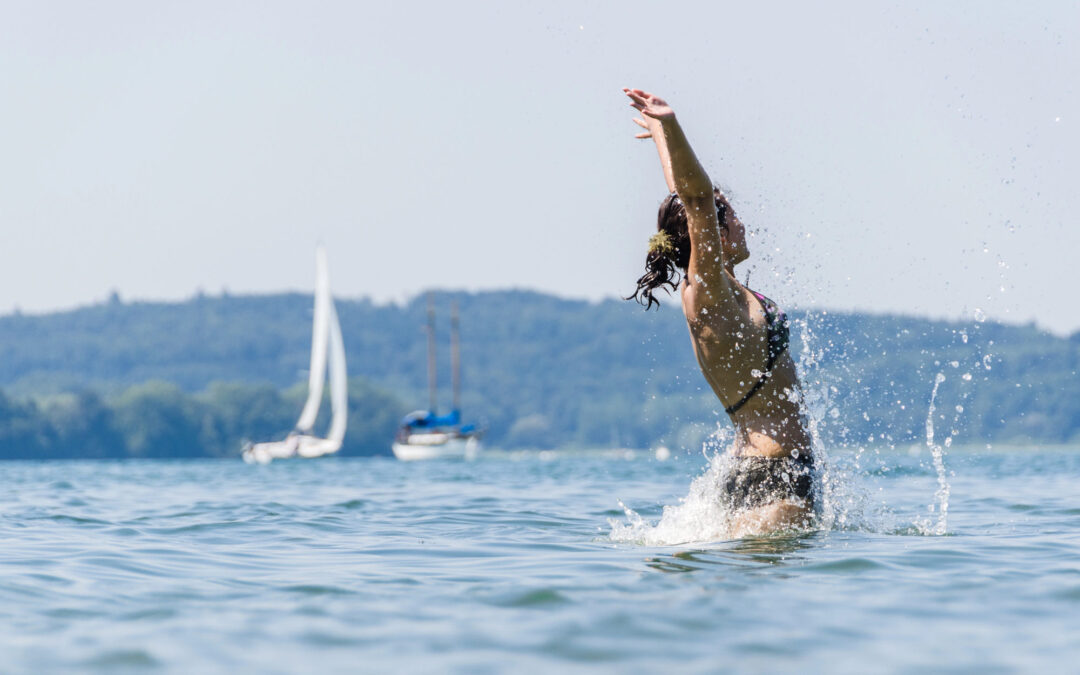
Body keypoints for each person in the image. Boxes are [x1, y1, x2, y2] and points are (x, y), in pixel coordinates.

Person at [623, 88, 815, 536]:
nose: (742, 224)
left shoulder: (714, 290)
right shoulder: (709, 293)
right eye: (730, 215)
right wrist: (671, 125)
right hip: (775, 479)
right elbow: (695, 200)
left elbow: (689, 196)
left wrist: (659, 136)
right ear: (710, 230)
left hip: (763, 471)